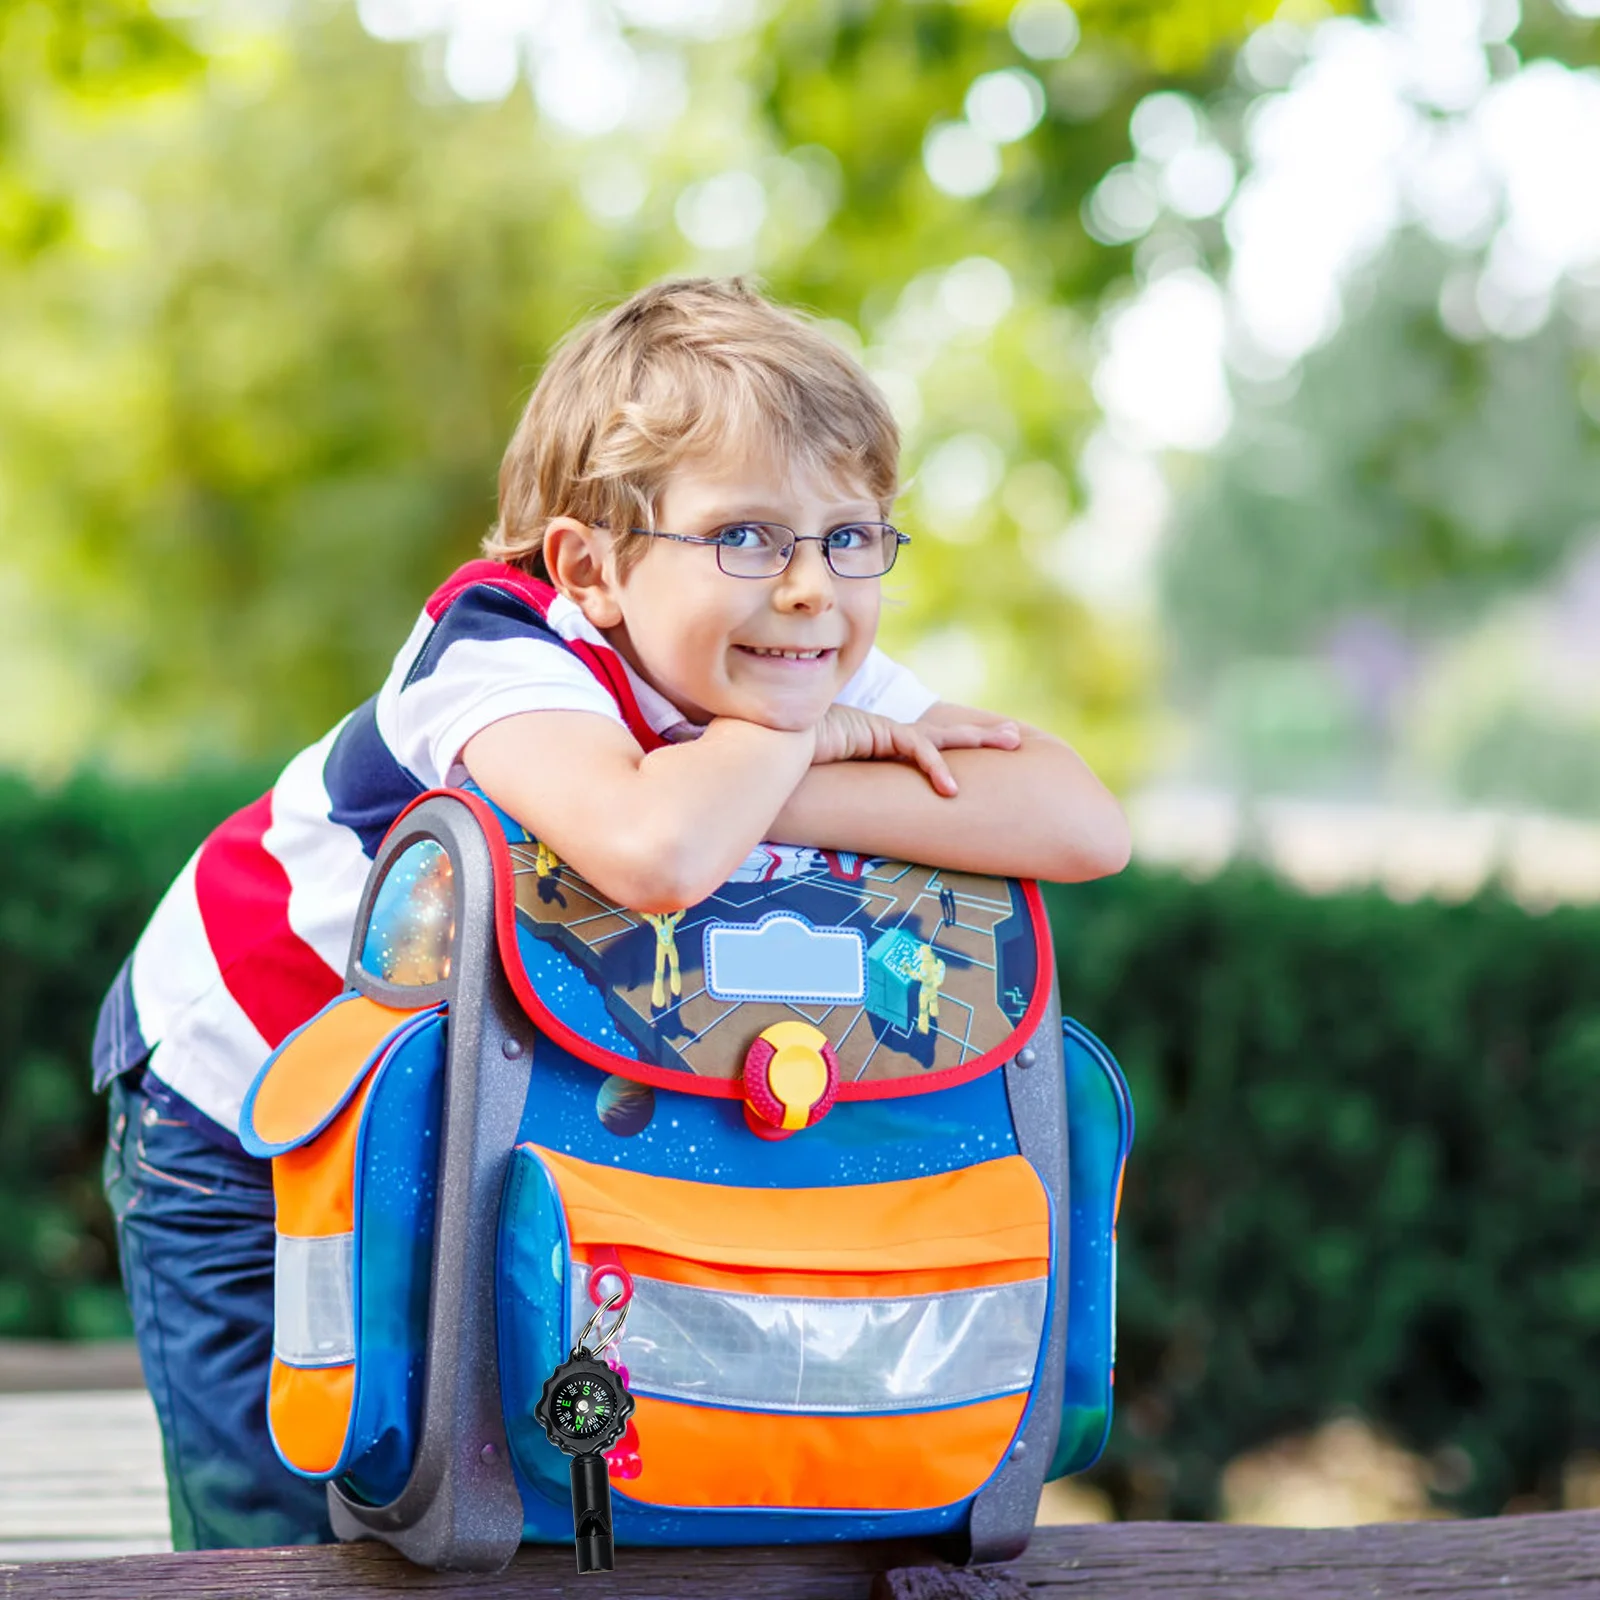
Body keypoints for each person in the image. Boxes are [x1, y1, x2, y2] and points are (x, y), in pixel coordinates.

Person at [94, 277, 1130, 1550]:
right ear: (590, 565)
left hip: (467, 1085)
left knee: (508, 1454)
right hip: (250, 1091)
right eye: (744, 535)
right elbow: (655, 846)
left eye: (852, 537)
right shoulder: (492, 649)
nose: (811, 586)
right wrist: (795, 751)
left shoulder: (785, 671)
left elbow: (1080, 823)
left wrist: (773, 765)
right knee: (293, 1500)